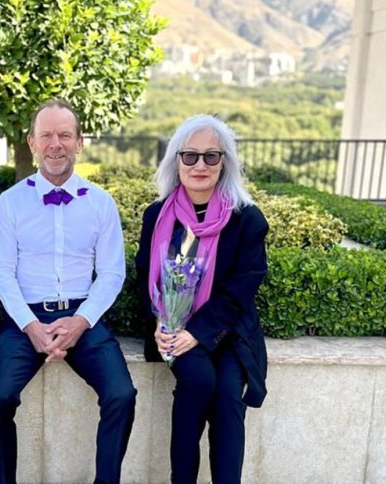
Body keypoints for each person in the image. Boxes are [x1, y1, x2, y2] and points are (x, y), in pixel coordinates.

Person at [0, 100, 137, 484]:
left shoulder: (101, 203)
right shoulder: (12, 202)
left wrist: (81, 322)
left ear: (79, 142)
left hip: (84, 317)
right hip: (26, 319)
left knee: (122, 395)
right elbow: (0, 270)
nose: (55, 144)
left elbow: (113, 272)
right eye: (46, 135)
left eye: (65, 135)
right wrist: (32, 327)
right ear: (32, 142)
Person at [135, 114, 269, 484]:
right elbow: (144, 276)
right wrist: (161, 322)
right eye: (190, 156)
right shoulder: (156, 216)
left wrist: (197, 330)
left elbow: (244, 285)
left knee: (228, 395)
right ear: (175, 160)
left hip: (227, 332)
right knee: (197, 383)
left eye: (211, 156)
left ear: (225, 162)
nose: (199, 165)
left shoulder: (247, 220)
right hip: (173, 331)